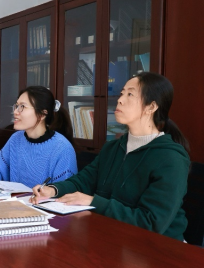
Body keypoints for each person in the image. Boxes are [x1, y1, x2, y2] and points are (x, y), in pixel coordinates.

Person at [31, 73, 190, 241]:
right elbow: (83, 181)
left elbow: (150, 222)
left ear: (151, 107)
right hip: (112, 236)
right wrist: (53, 190)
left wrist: (93, 202)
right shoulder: (113, 148)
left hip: (159, 246)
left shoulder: (171, 159)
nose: (120, 100)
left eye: (130, 94)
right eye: (122, 93)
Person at [0, 86, 77, 187]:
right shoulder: (16, 139)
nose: (15, 112)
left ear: (42, 114)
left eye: (22, 107)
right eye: (16, 106)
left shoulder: (62, 148)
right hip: (14, 197)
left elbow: (64, 189)